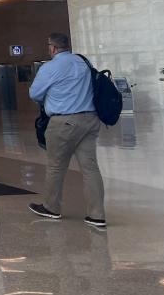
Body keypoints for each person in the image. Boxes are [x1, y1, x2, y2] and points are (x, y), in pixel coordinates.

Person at [27, 32, 106, 228]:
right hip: (90, 119)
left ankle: (51, 207)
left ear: (52, 48)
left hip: (64, 122)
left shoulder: (50, 67)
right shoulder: (82, 63)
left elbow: (34, 93)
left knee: (56, 165)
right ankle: (97, 215)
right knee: (90, 168)